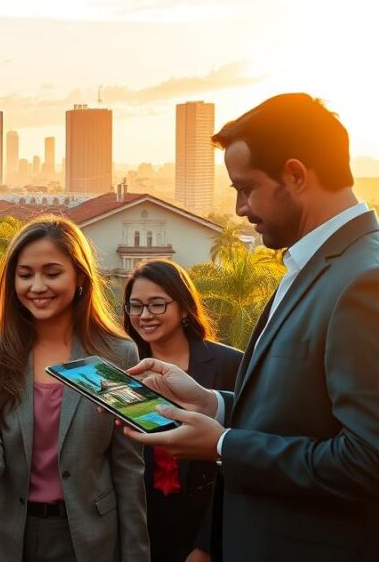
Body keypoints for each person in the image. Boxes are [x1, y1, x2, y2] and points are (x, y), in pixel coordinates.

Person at [124, 94, 379, 561]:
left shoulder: (365, 279)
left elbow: (367, 460)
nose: (239, 209)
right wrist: (215, 405)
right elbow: (299, 415)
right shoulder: (314, 263)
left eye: (246, 188)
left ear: (297, 175)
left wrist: (222, 445)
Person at [0, 216, 149, 562]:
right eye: (25, 275)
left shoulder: (117, 354)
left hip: (87, 539)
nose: (37, 286)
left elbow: (128, 469)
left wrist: (136, 555)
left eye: (52, 273)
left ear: (80, 277)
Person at [121, 259, 241, 562]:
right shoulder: (123, 369)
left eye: (157, 305)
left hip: (209, 528)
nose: (145, 315)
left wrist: (206, 545)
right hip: (140, 526)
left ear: (184, 307)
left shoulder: (231, 365)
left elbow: (240, 458)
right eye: (135, 306)